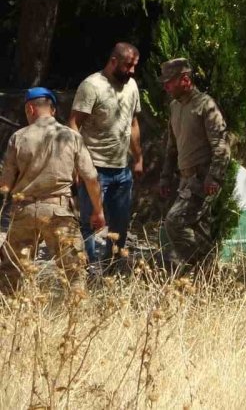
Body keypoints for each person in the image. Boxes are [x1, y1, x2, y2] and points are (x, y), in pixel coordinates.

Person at [0, 88, 107, 295]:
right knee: (74, 271)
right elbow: (91, 178)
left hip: (24, 212)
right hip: (59, 212)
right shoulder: (71, 137)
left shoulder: (18, 137)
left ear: (30, 108)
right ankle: (76, 319)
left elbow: (5, 184)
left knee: (11, 271)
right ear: (53, 110)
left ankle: (10, 319)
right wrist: (98, 211)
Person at [69, 42, 143, 267]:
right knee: (91, 224)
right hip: (95, 170)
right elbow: (73, 123)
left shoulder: (132, 86)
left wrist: (138, 157)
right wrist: (78, 165)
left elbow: (132, 122)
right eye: (128, 65)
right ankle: (89, 269)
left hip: (122, 170)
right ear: (113, 61)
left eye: (134, 66)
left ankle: (114, 267)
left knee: (120, 225)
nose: (132, 71)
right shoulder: (91, 86)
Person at [156, 58, 231, 274]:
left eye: (170, 81)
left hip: (202, 178)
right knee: (200, 230)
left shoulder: (205, 105)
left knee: (175, 221)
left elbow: (221, 144)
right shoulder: (175, 106)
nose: (166, 86)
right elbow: (172, 146)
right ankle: (208, 278)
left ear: (185, 79)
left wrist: (214, 177)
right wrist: (165, 176)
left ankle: (201, 267)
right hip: (185, 178)